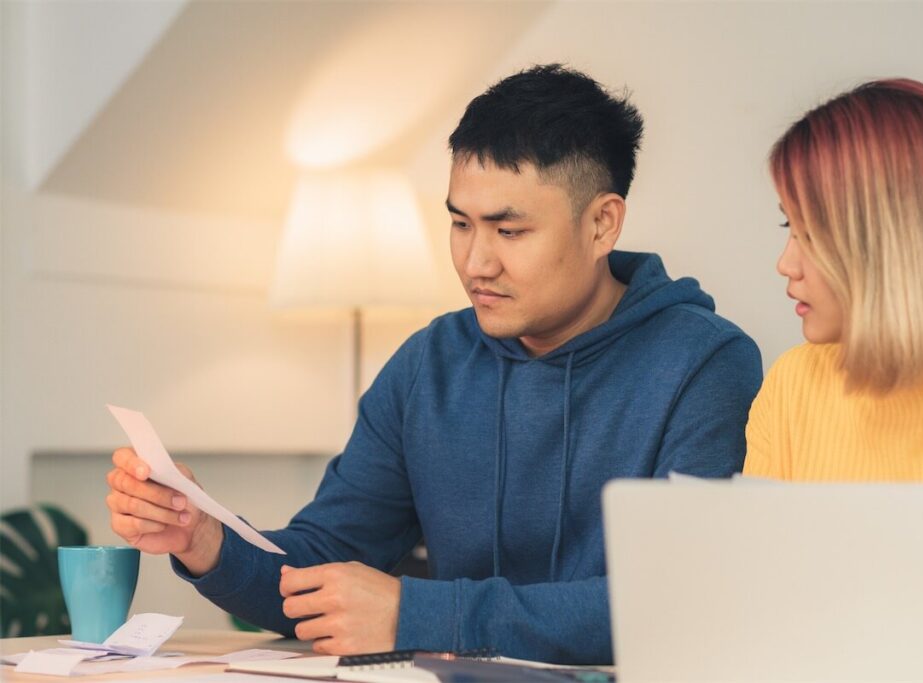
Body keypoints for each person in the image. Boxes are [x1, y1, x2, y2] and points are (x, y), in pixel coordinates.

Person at [105, 64, 762, 664]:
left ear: (601, 225)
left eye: (509, 231)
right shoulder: (430, 364)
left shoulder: (704, 365)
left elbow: (674, 601)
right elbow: (319, 567)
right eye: (460, 224)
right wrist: (206, 538)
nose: (476, 262)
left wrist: (421, 613)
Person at [744, 78, 923, 482]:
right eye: (789, 224)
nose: (786, 264)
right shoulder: (792, 386)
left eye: (812, 233)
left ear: (899, 242)